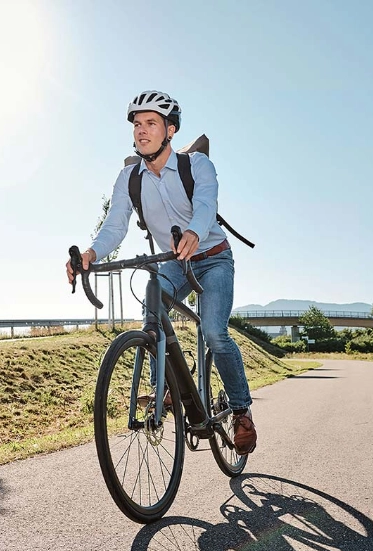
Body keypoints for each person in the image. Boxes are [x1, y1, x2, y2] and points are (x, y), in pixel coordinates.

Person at [66, 90, 257, 455]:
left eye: (151, 123)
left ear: (170, 130)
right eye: (137, 124)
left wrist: (194, 232)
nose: (142, 130)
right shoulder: (128, 177)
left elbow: (205, 206)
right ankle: (167, 385)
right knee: (151, 317)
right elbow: (114, 225)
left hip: (212, 257)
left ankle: (241, 410)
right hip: (172, 261)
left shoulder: (196, 165)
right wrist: (91, 252)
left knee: (214, 331)